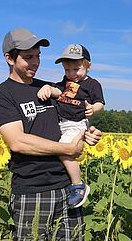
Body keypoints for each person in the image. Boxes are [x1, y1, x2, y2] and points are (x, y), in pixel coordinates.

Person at [0, 27, 102, 241]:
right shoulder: (1, 94)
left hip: (69, 187)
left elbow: (74, 117)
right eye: (28, 57)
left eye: (38, 56)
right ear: (9, 58)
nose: (35, 62)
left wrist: (88, 133)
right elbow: (17, 142)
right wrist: (67, 150)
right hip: (33, 189)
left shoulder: (50, 88)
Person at [37, 43, 105, 209]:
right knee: (58, 149)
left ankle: (78, 185)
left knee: (65, 150)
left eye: (76, 69)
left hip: (76, 123)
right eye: (67, 70)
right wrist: (47, 88)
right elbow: (58, 92)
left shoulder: (92, 84)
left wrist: (92, 109)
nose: (72, 73)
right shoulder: (65, 82)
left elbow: (100, 103)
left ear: (88, 66)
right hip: (61, 122)